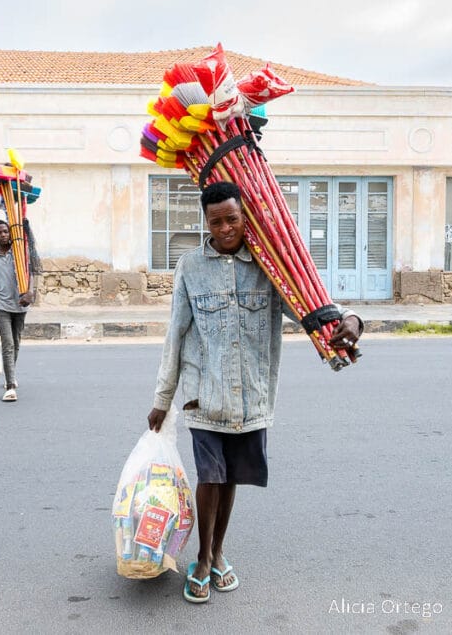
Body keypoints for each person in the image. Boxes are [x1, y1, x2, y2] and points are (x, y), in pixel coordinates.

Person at [146, 182, 362, 604]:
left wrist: (351, 320)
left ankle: (219, 549)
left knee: (231, 480)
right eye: (216, 221)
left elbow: (313, 307)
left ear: (246, 218)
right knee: (210, 477)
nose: (226, 228)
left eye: (233, 219)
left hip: (252, 397)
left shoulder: (270, 265)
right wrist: (161, 398)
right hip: (203, 395)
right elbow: (176, 334)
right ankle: (203, 559)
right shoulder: (190, 267)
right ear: (205, 222)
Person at [0, 219, 35, 402]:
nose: (3, 235)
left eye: (6, 231)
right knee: (8, 343)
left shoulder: (20, 252)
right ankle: (11, 385)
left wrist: (30, 293)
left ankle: (9, 374)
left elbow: (31, 273)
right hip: (1, 305)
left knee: (16, 342)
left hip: (20, 304)